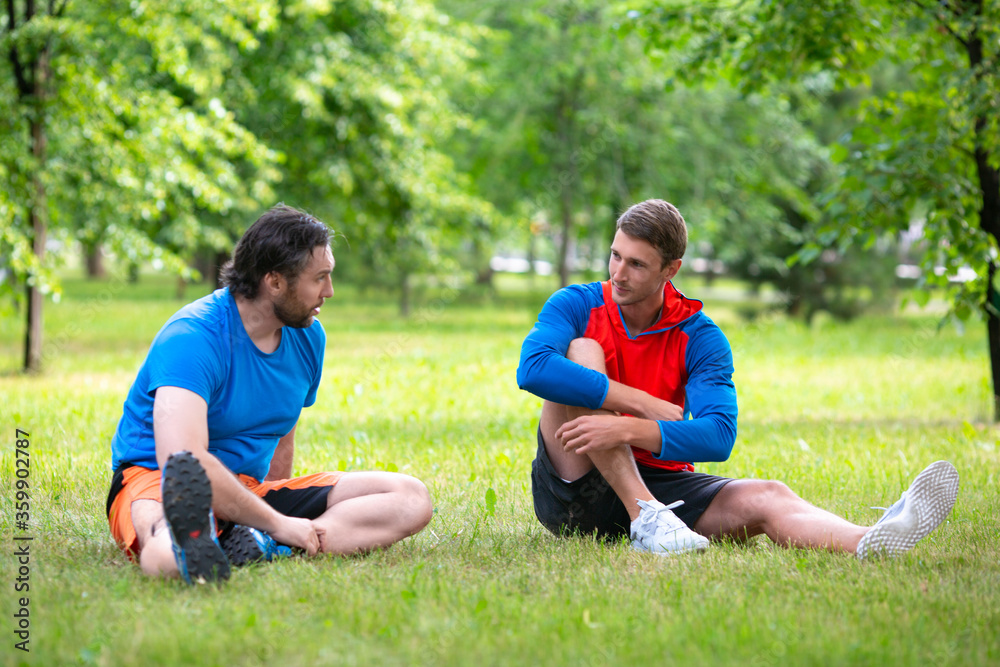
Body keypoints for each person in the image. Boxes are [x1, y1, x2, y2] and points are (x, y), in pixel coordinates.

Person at [516, 198, 958, 558]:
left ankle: (869, 540)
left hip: (664, 487)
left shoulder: (700, 336)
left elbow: (718, 436)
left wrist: (630, 427)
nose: (618, 273)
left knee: (769, 493)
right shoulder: (577, 303)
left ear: (671, 270)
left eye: (636, 264)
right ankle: (643, 512)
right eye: (615, 255)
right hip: (576, 489)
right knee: (581, 350)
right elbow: (531, 368)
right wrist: (637, 402)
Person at [107, 204, 433, 584]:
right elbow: (183, 460)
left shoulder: (308, 335)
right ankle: (202, 539)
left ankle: (261, 542)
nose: (329, 291)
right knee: (165, 556)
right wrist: (280, 521)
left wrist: (277, 519)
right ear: (275, 282)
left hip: (247, 488)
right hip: (157, 479)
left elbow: (283, 429)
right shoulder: (192, 337)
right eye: (320, 278)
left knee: (410, 497)